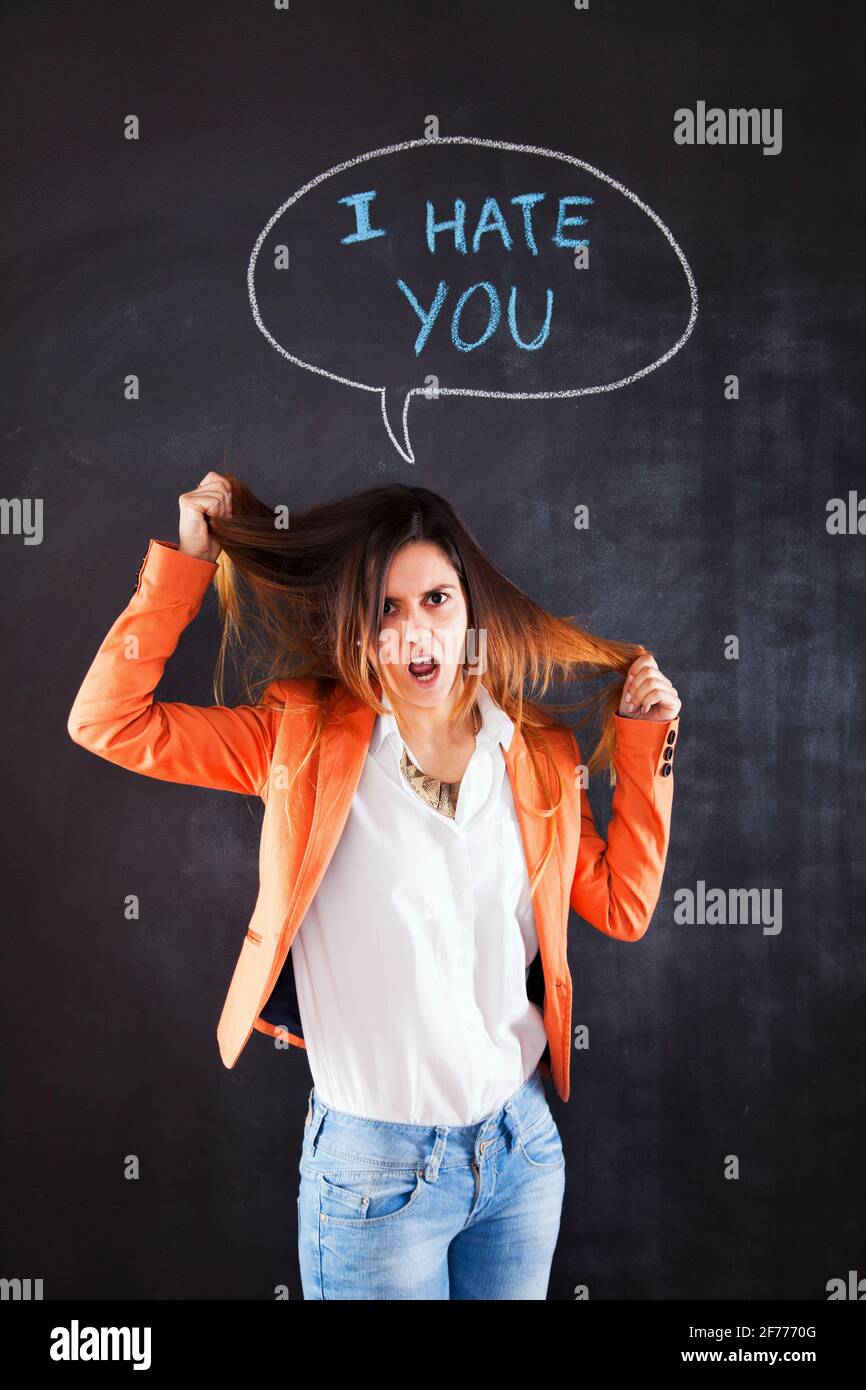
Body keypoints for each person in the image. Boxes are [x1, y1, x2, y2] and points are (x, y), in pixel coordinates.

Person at [67, 472, 682, 1299]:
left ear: (472, 612)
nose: (415, 632)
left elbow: (624, 905)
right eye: (387, 609)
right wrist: (186, 562)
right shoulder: (299, 742)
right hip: (373, 1180)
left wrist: (648, 746)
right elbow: (109, 721)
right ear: (359, 626)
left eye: (435, 598)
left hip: (520, 1155)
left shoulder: (535, 756)